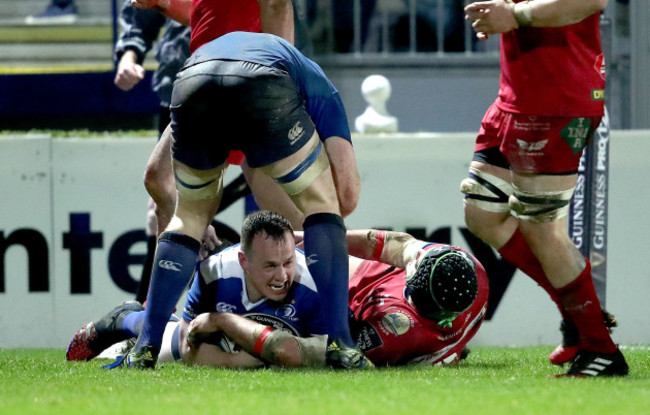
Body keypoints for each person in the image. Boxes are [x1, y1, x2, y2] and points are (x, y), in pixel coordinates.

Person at [117, 31, 365, 370]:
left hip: (191, 80)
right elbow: (347, 193)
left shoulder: (216, 59)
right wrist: (320, 215)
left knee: (187, 218)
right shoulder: (318, 85)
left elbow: (155, 177)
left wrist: (192, 216)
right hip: (263, 83)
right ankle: (343, 344)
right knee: (322, 206)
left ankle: (145, 346)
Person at [67, 212, 487, 368]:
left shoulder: (394, 331)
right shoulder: (465, 266)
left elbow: (295, 354)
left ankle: (129, 326)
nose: (284, 273)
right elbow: (396, 244)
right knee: (178, 333)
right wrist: (319, 238)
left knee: (290, 348)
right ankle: (126, 319)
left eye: (287, 263)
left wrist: (222, 324)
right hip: (353, 279)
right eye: (272, 263)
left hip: (350, 304)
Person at [460, 0, 628, 377]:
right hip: (515, 97)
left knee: (541, 229)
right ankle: (579, 319)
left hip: (554, 99)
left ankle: (601, 349)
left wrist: (516, 15)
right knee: (483, 215)